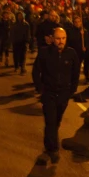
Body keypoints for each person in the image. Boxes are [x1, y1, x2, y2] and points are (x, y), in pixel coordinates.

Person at [32, 28, 81, 164]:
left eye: (63, 38)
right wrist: (40, 88)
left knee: (56, 120)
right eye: (58, 38)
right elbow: (36, 71)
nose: (61, 41)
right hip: (49, 93)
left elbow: (75, 73)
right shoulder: (44, 53)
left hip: (63, 94)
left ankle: (51, 140)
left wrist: (72, 89)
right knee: (50, 121)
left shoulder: (71, 54)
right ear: (53, 39)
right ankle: (52, 149)